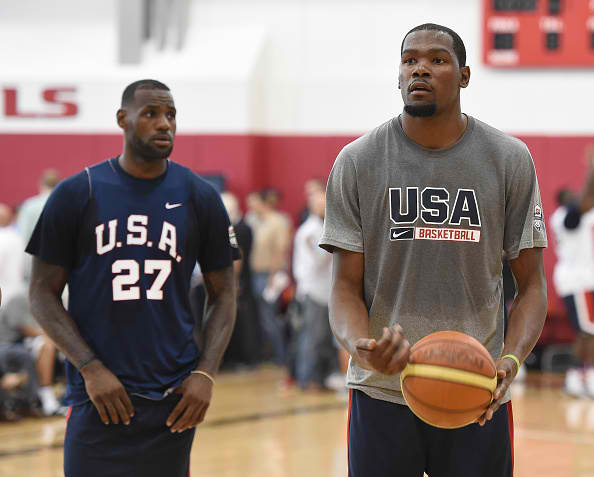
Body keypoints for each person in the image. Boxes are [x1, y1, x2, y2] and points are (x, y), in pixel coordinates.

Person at [319, 24, 548, 477]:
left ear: (463, 76)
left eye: (437, 60)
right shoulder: (357, 161)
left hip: (475, 387)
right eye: (410, 60)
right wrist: (362, 346)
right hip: (382, 392)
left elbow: (532, 285)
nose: (420, 69)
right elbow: (344, 287)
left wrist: (511, 359)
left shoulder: (509, 159)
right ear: (398, 75)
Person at [27, 79, 239, 477]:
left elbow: (225, 294)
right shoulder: (78, 193)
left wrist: (205, 373)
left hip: (173, 398)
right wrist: (90, 366)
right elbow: (41, 293)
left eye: (171, 115)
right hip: (98, 396)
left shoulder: (199, 196)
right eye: (151, 114)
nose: (164, 124)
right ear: (122, 120)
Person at [550, 145, 594, 398]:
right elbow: (586, 199)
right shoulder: (566, 218)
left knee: (589, 330)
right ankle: (577, 376)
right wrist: (591, 168)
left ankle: (583, 373)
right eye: (570, 195)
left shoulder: (577, 215)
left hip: (582, 279)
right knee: (586, 331)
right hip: (575, 281)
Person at [0, 292, 64, 415]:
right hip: (8, 343)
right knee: (47, 344)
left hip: (24, 344)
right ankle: (46, 399)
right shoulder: (19, 298)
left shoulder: (53, 302)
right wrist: (58, 338)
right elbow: (25, 329)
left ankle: (60, 395)